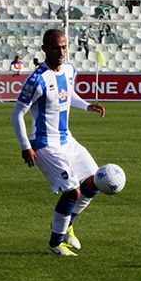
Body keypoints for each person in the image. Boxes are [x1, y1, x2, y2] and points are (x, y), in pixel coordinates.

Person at [12, 29, 106, 256]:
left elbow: (68, 93)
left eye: (64, 47)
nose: (61, 52)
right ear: (45, 49)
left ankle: (68, 224)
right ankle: (56, 243)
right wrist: (26, 146)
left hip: (67, 139)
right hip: (44, 144)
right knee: (72, 192)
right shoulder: (36, 80)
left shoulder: (70, 69)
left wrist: (86, 106)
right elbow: (17, 114)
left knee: (95, 182)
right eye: (56, 48)